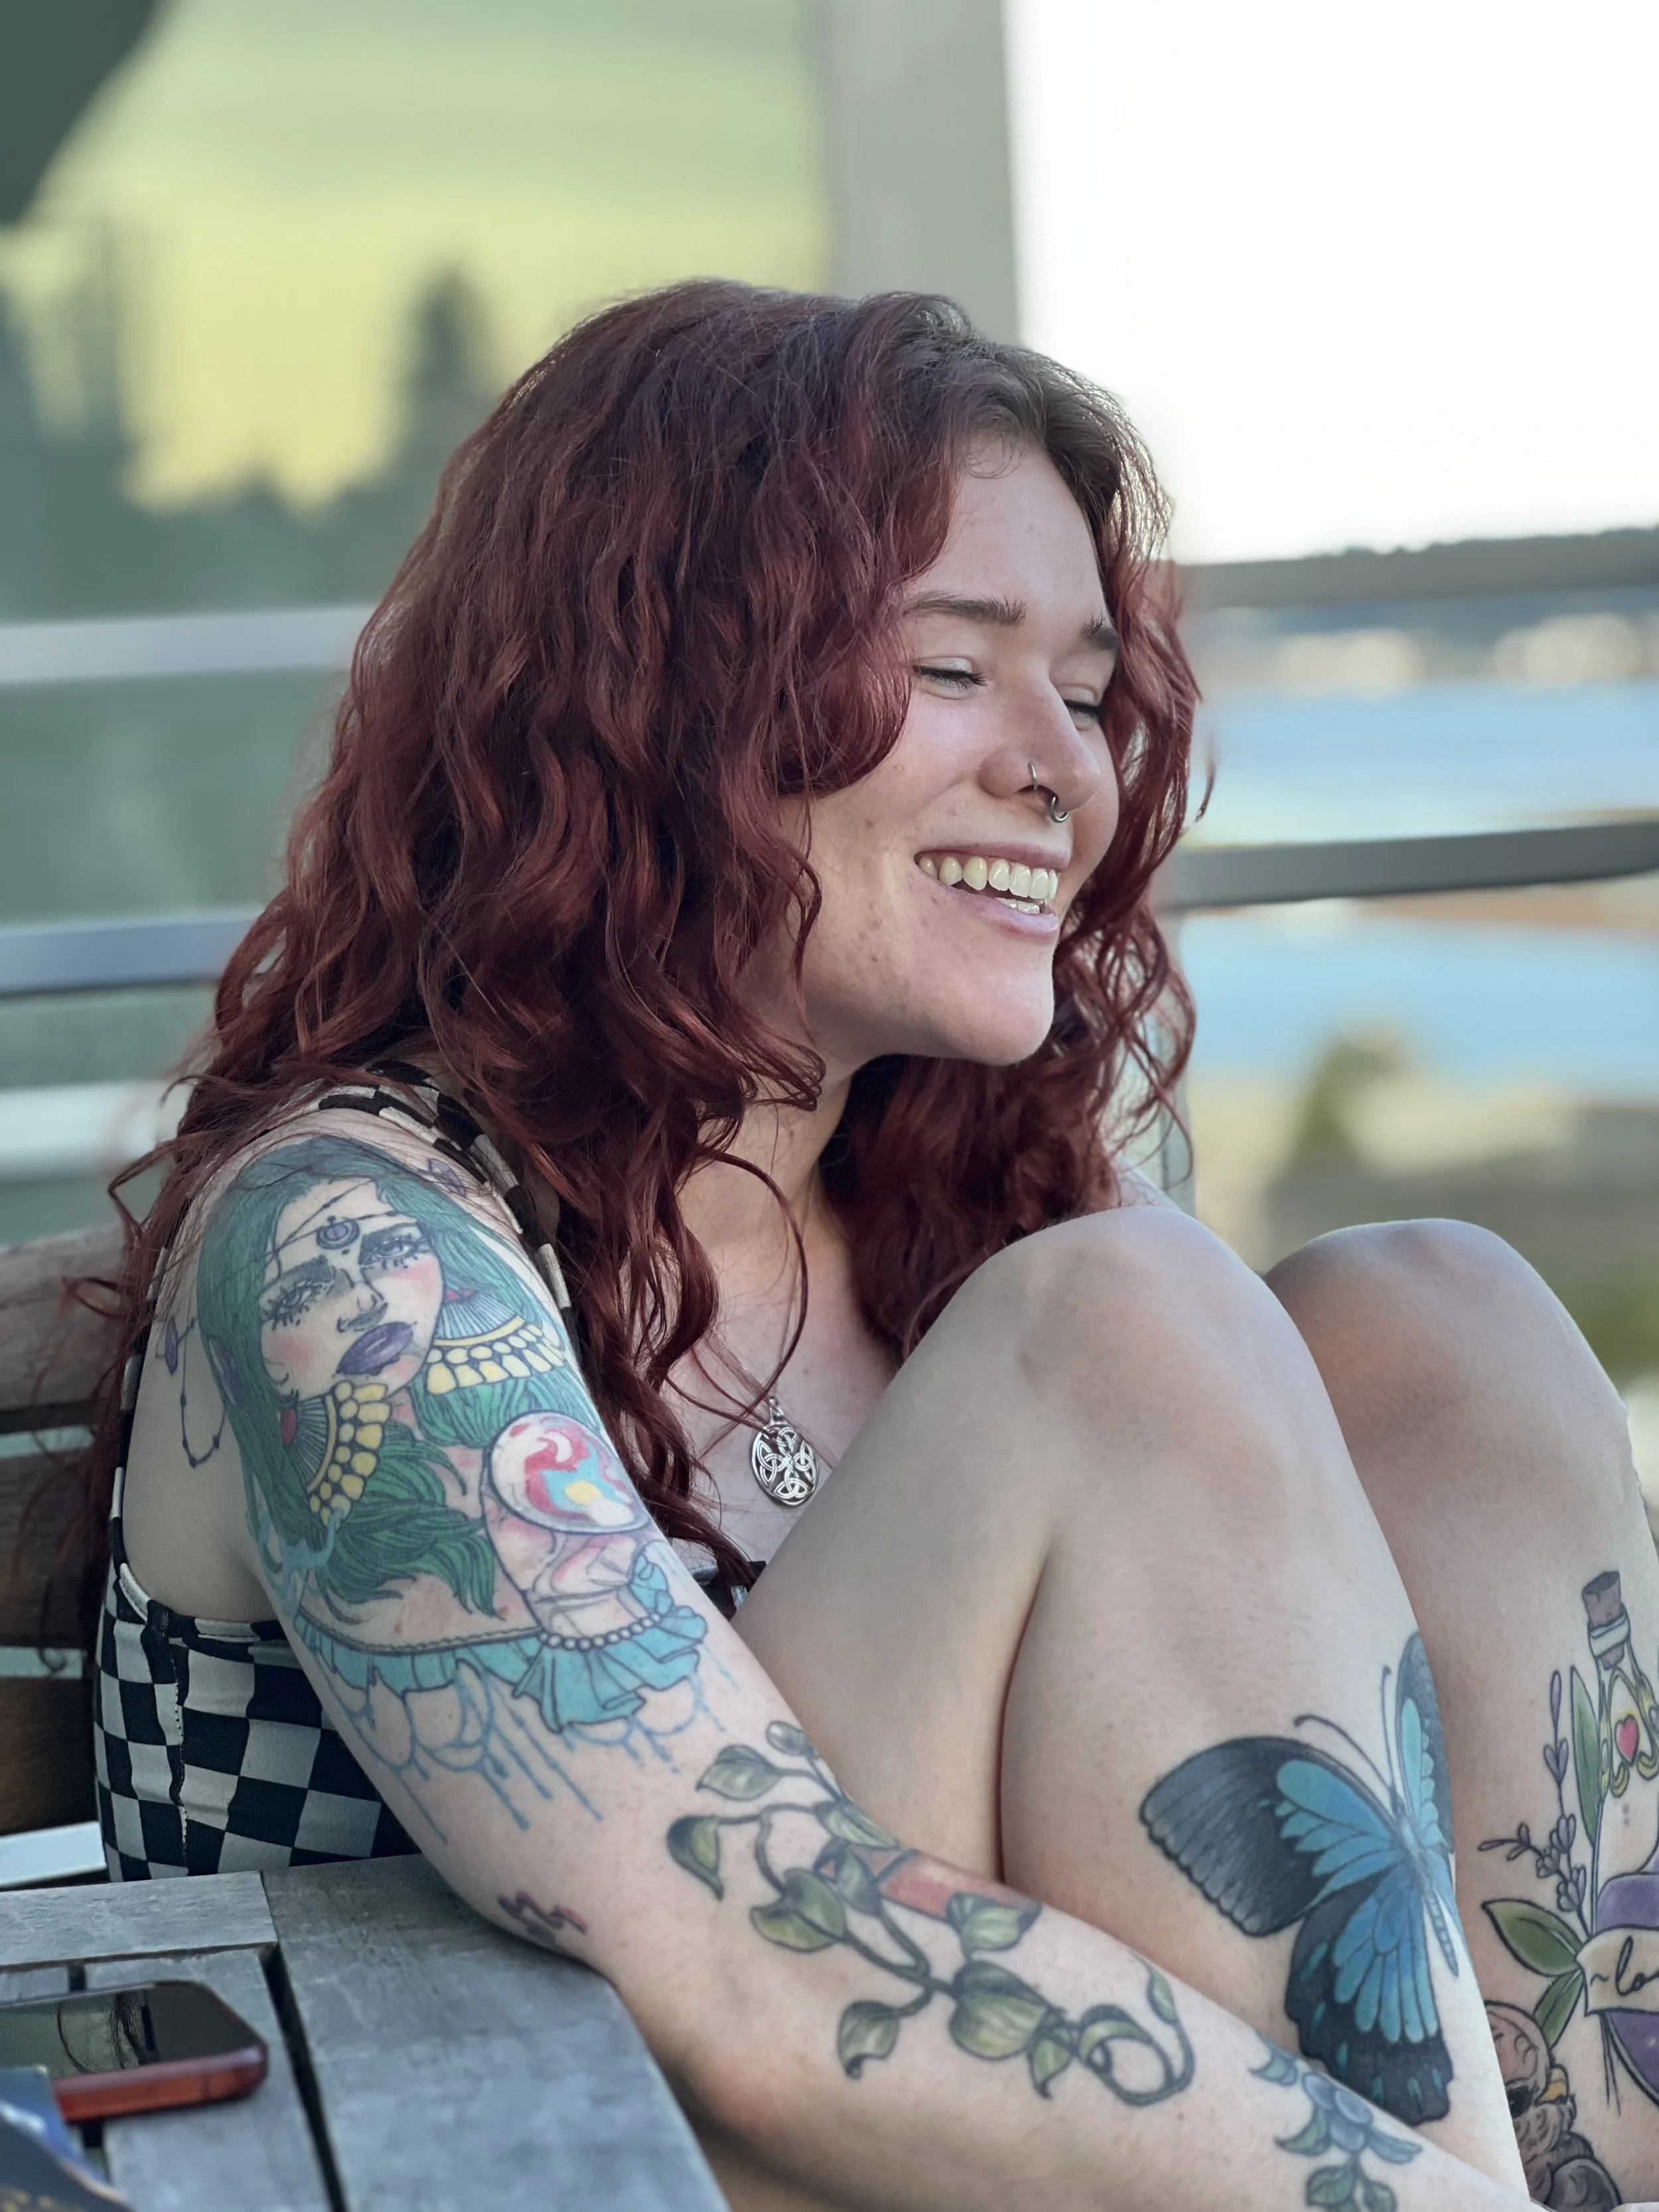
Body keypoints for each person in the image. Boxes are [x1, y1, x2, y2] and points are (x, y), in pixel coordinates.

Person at [84, 281, 1656, 2212]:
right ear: (652, 683)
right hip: (502, 2156)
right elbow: (760, 1968)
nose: (1061, 771)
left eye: (1083, 691)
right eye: (949, 667)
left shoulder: (964, 1232)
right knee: (1129, 1315)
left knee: (1434, 1317)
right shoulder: (352, 1249)